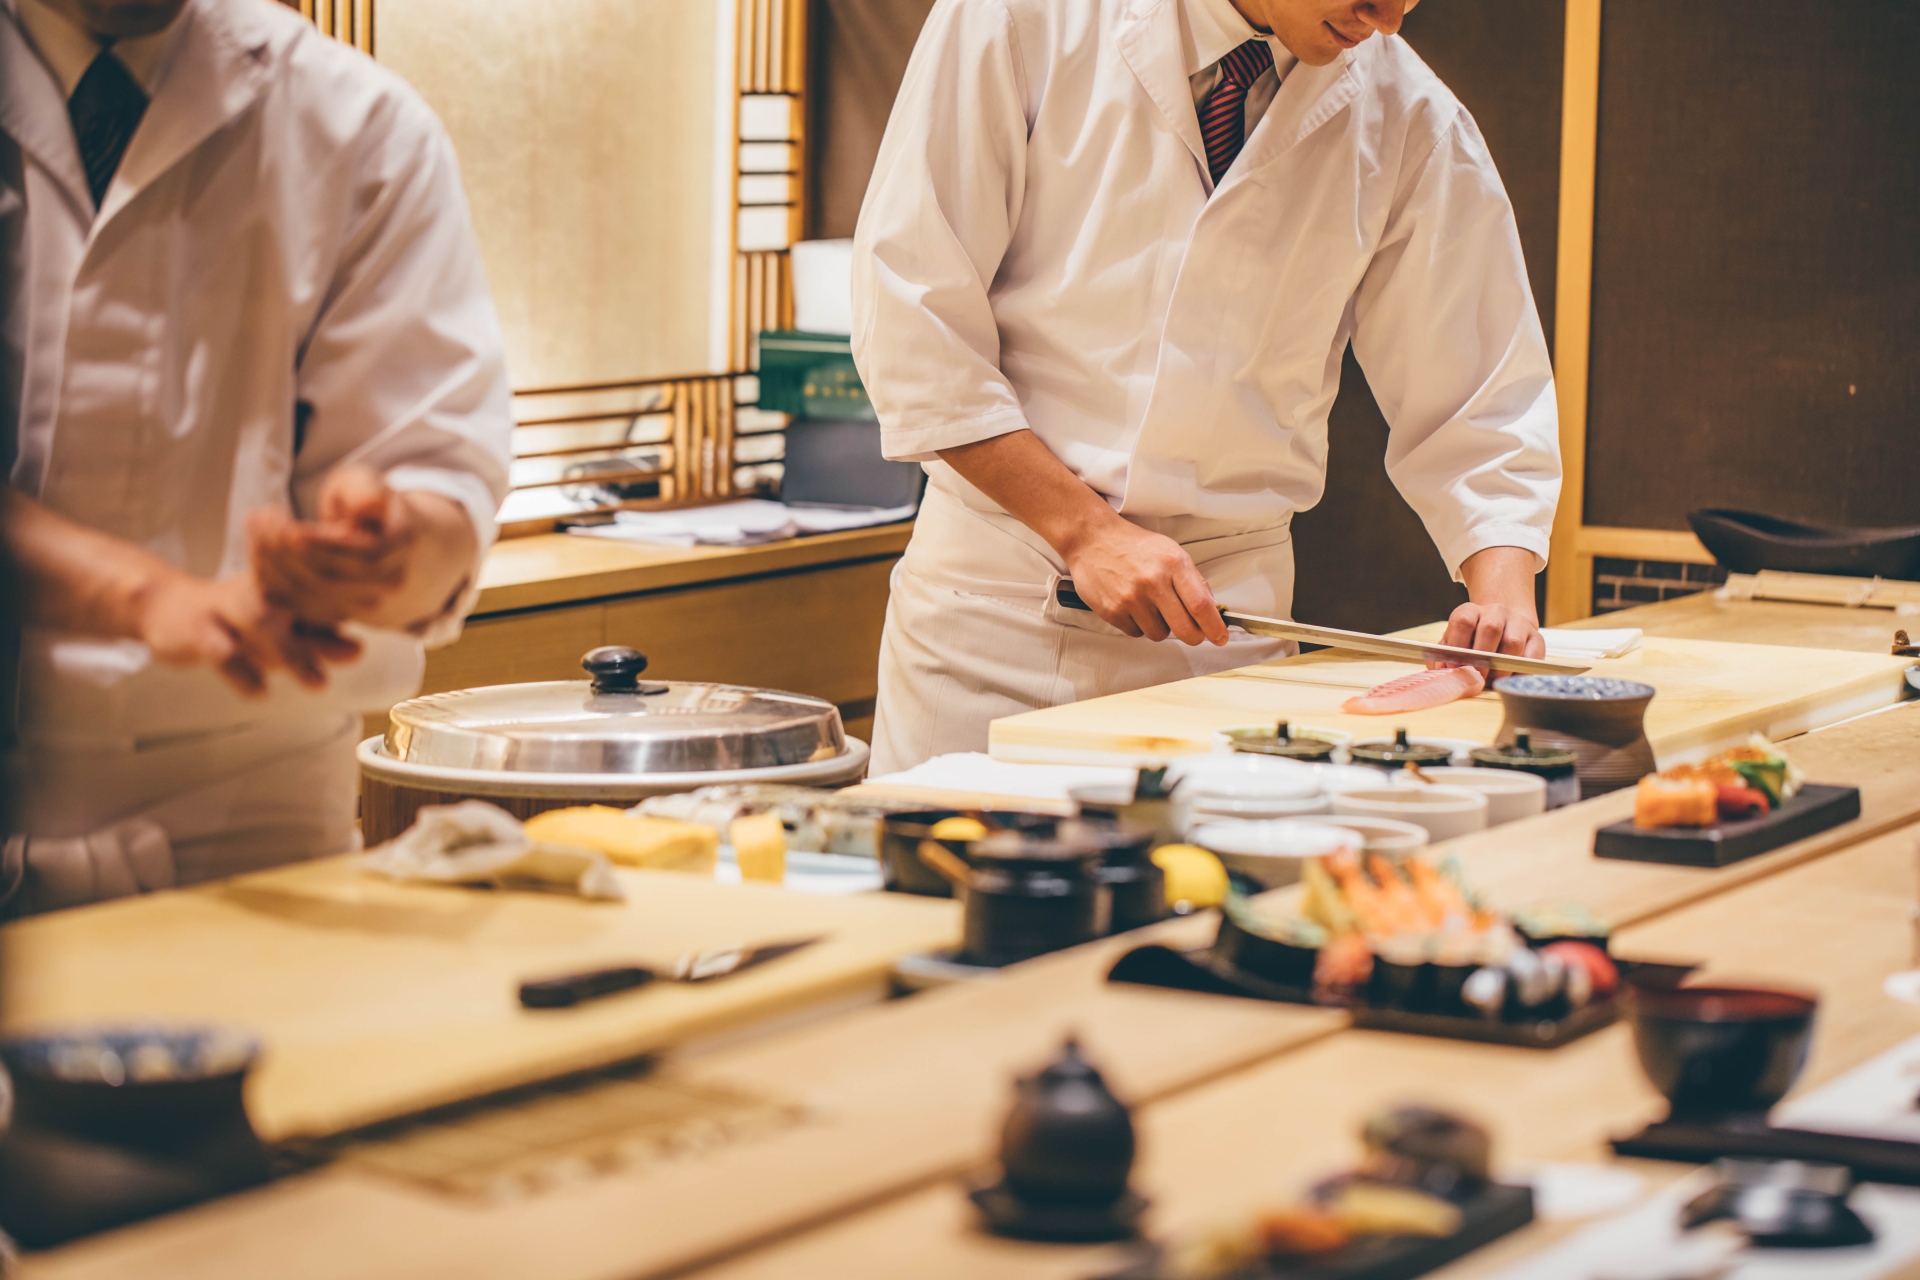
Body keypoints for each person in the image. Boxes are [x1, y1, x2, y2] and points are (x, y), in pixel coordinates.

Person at [853, 0, 1561, 774]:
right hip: (994, 624)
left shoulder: (1411, 116)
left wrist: (1504, 603)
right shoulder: (1023, 18)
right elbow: (912, 311)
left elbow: (1481, 391)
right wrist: (1085, 532)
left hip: (1226, 645)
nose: (1388, 18)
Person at [0, 0, 513, 913]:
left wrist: (383, 549)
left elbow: (437, 478)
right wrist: (141, 596)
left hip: (248, 837)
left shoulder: (361, 126)